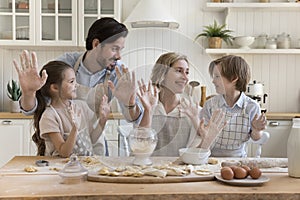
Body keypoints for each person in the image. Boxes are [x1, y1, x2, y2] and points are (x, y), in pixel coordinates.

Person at [13, 17, 143, 155]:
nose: (119, 56)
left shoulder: (119, 73)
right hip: (60, 147)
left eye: (121, 50)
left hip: (93, 145)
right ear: (96, 44)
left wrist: (130, 102)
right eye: (114, 49)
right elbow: (34, 108)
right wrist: (29, 93)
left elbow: (133, 118)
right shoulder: (66, 64)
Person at [136, 52, 226, 156]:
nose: (185, 78)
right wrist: (148, 111)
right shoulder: (145, 105)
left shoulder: (194, 112)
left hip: (181, 170)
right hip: (146, 170)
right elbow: (139, 149)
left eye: (187, 72)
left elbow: (195, 155)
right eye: (179, 71)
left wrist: (207, 141)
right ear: (162, 73)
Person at [33, 61, 110, 157]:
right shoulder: (49, 116)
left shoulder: (82, 106)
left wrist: (103, 120)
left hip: (83, 166)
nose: (76, 85)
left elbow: (92, 139)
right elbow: (64, 152)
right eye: (71, 81)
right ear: (55, 88)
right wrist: (75, 128)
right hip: (60, 168)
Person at [200, 55, 267, 157]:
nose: (213, 81)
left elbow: (255, 137)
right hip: (210, 159)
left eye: (217, 76)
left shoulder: (251, 107)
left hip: (238, 161)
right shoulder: (210, 105)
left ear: (234, 78)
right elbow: (202, 137)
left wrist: (256, 130)